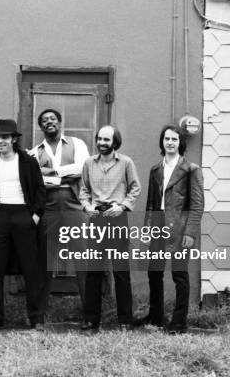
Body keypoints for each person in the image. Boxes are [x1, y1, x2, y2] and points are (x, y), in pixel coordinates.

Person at [134, 124, 204, 334]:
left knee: (179, 275)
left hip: (180, 228)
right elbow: (150, 203)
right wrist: (147, 230)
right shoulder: (155, 170)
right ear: (162, 142)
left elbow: (198, 204)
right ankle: (156, 316)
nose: (170, 143)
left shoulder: (191, 170)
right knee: (154, 272)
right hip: (158, 225)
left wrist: (190, 233)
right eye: (167, 139)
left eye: (174, 139)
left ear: (180, 143)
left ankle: (179, 322)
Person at [0, 119, 46, 331]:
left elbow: (39, 189)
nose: (0, 141)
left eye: (5, 137)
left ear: (14, 139)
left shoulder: (28, 161)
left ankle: (36, 318)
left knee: (30, 268)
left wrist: (35, 216)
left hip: (23, 215)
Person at [28, 108, 90, 318]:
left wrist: (53, 173)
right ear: (41, 126)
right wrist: (65, 174)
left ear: (60, 122)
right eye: (44, 120)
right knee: (46, 261)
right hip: (49, 207)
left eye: (53, 118)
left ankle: (90, 316)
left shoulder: (77, 143)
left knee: (82, 259)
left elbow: (82, 168)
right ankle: (39, 317)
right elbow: (35, 179)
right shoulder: (34, 152)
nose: (49, 122)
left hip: (74, 205)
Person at [79, 125, 141, 332]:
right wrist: (87, 207)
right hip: (96, 219)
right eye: (99, 139)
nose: (102, 143)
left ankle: (125, 320)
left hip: (117, 218)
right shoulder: (88, 163)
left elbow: (135, 188)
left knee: (121, 272)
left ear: (115, 142)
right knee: (93, 272)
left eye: (106, 140)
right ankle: (90, 319)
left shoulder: (126, 163)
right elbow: (84, 190)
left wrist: (122, 206)